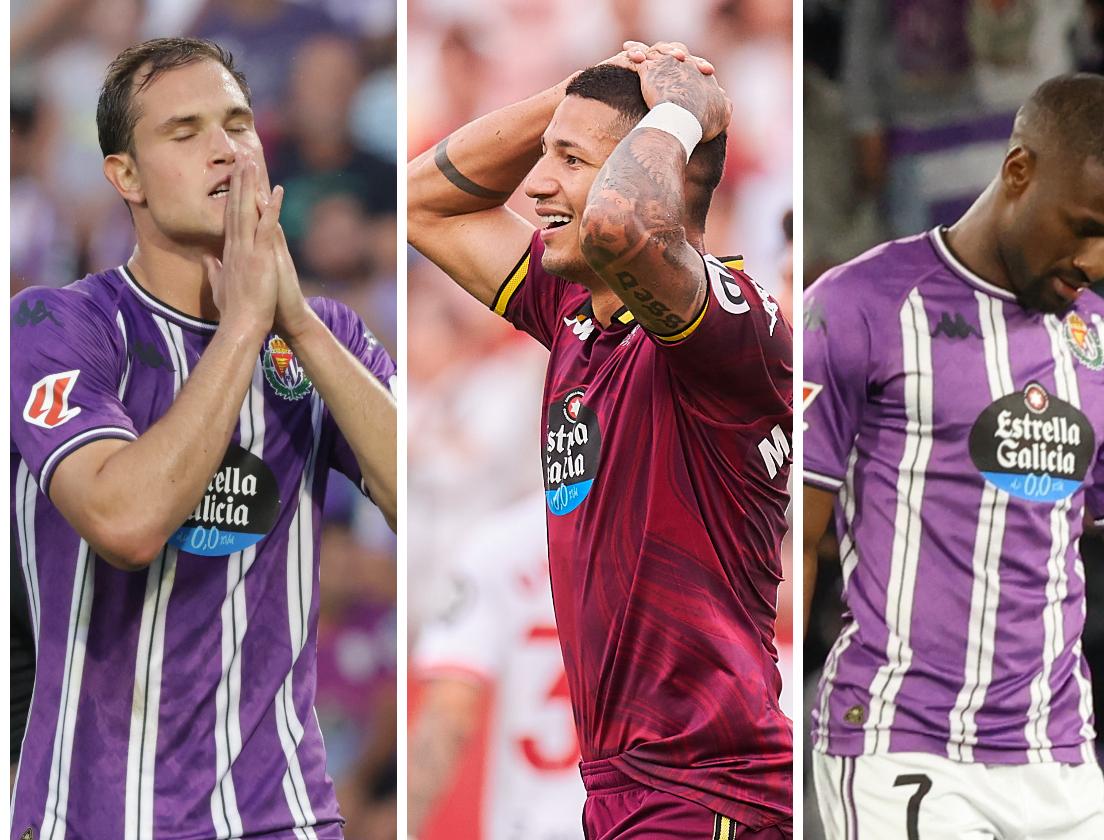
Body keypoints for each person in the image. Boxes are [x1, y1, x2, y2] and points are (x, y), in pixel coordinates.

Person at [10, 38, 397, 840]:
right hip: (94, 816)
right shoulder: (58, 327)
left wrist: (295, 320)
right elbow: (125, 522)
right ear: (125, 176)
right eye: (183, 133)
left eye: (238, 124)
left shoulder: (325, 338)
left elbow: (422, 502)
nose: (225, 150)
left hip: (283, 815)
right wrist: (247, 324)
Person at [408, 40, 794, 840]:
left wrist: (681, 109)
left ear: (661, 175)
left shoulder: (729, 335)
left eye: (570, 160)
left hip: (705, 786)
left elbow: (623, 225)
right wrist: (583, 92)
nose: (535, 182)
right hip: (625, 788)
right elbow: (421, 203)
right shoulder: (578, 320)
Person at [803, 72, 1104, 839]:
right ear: (1018, 171)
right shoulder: (857, 307)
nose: (1098, 261)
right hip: (899, 747)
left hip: (1059, 762)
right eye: (1083, 226)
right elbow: (793, 539)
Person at [409, 494, 586, 840]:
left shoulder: (501, 543)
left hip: (529, 823)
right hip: (639, 822)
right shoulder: (677, 539)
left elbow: (448, 714)